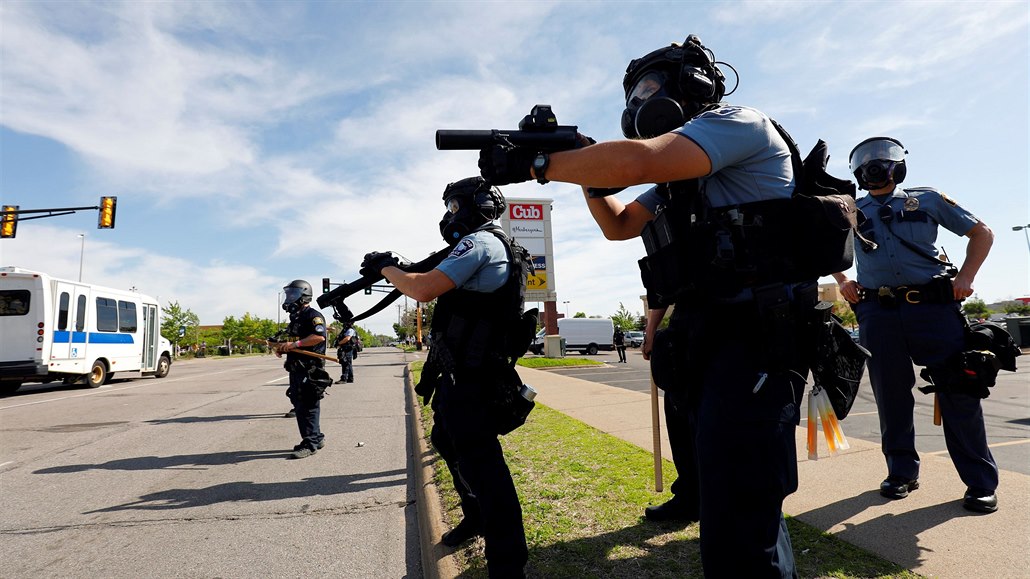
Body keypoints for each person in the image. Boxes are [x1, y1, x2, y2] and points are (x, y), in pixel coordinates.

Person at [480, 34, 817, 577]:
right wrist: (582, 170)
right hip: (710, 330)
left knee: (742, 492)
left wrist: (543, 160)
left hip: (756, 331)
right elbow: (618, 224)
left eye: (650, 89)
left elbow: (637, 161)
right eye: (633, 95)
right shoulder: (679, 179)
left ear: (696, 86)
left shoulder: (737, 122)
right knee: (724, 488)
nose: (640, 103)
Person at [360, 177, 532, 578]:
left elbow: (423, 288)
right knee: (444, 439)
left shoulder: (481, 243)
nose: (448, 216)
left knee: (486, 470)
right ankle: (474, 518)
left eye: (454, 207)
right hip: (462, 373)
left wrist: (387, 268)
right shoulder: (482, 245)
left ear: (478, 206)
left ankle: (508, 567)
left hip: (475, 377)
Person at [831, 137, 998, 512]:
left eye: (883, 161)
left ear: (899, 167)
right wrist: (843, 281)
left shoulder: (927, 200)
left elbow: (982, 233)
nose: (874, 168)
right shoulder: (849, 211)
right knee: (890, 396)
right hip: (877, 311)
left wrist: (966, 277)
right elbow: (820, 247)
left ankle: (981, 482)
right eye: (866, 163)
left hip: (934, 308)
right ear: (857, 172)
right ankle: (902, 473)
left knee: (959, 390)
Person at [274, 279, 329, 459]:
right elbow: (294, 341)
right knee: (300, 403)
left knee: (307, 405)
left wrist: (295, 344)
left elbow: (318, 337)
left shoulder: (313, 315)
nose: (289, 298)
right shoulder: (295, 317)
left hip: (310, 368)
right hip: (296, 367)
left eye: (293, 294)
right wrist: (283, 348)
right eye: (288, 294)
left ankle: (310, 443)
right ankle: (316, 437)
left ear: (304, 296)